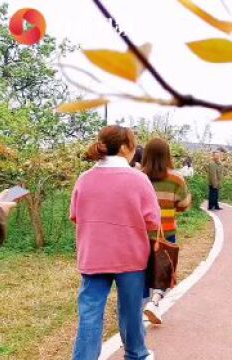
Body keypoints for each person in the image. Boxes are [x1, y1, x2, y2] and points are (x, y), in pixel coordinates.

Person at [70, 125, 160, 360]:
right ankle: (136, 354)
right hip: (130, 257)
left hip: (93, 256)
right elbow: (152, 221)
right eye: (133, 144)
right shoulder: (139, 180)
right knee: (131, 311)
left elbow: (75, 216)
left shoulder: (84, 179)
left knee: (90, 313)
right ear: (123, 148)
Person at [141, 138, 192, 324]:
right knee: (164, 271)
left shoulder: (137, 176)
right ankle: (154, 303)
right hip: (166, 232)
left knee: (142, 271)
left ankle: (141, 306)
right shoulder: (176, 178)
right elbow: (184, 205)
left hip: (141, 234)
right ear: (167, 155)